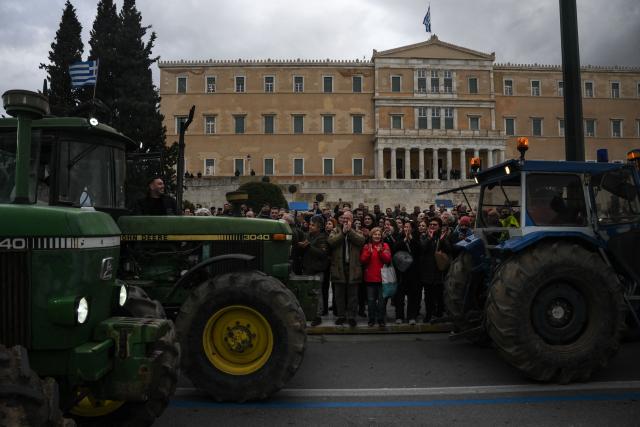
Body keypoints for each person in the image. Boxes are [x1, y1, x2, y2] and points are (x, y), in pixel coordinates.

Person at [328, 210, 365, 327]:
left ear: (352, 220)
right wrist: (343, 233)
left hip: (353, 267)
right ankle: (341, 316)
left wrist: (350, 232)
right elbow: (331, 242)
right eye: (344, 218)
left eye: (348, 219)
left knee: (353, 294)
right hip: (339, 267)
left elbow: (361, 241)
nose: (345, 220)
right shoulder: (335, 230)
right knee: (339, 294)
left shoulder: (357, 231)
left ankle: (351, 316)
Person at [298, 215, 330, 327]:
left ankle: (318, 316)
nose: (310, 227)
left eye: (313, 225)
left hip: (317, 270)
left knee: (317, 294)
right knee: (307, 293)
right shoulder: (308, 235)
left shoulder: (322, 237)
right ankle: (308, 314)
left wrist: (308, 246)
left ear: (319, 227)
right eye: (310, 224)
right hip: (307, 268)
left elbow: (322, 253)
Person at [359, 227, 392, 327]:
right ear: (371, 235)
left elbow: (388, 260)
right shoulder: (366, 246)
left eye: (379, 234)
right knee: (371, 301)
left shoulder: (385, 245)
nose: (377, 236)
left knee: (382, 302)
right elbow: (362, 260)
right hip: (370, 279)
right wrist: (369, 251)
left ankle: (381, 319)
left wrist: (381, 251)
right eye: (375, 234)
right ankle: (371, 319)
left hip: (382, 279)